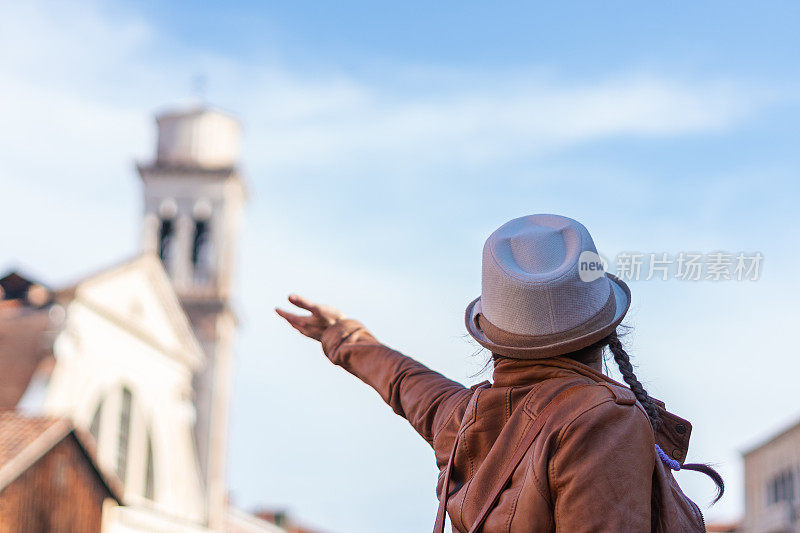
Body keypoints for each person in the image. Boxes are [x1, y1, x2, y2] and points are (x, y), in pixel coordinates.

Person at [276, 214, 723, 532]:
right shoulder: (605, 420)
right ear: (607, 330)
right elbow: (407, 385)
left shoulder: (466, 419)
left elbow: (406, 385)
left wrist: (342, 336)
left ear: (496, 338)